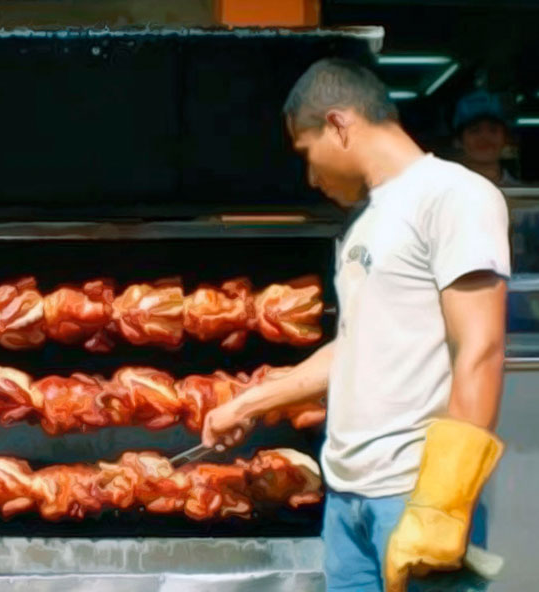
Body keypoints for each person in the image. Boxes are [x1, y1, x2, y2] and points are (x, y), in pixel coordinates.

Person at [201, 58, 509, 592]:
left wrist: (442, 503)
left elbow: (479, 349)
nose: (311, 177)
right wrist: (247, 402)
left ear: (340, 124)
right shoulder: (366, 222)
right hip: (346, 505)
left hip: (411, 497)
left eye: (307, 154)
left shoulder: (454, 195)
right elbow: (354, 349)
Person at [454, 89, 519, 186]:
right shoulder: (445, 194)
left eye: (493, 130)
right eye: (474, 130)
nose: (484, 137)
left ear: (506, 139)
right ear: (459, 141)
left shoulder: (525, 195)